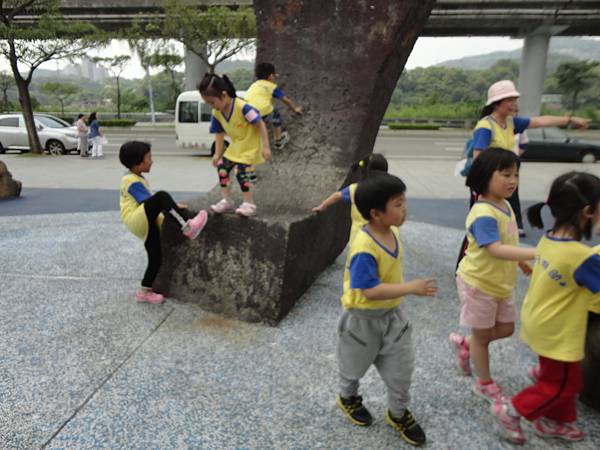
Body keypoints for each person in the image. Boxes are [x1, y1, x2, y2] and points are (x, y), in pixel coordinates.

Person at [490, 172, 600, 445]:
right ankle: (511, 411)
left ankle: (555, 421)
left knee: (567, 378)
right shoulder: (582, 257)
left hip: (541, 322)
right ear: (588, 211)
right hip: (557, 331)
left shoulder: (549, 239)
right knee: (562, 385)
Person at [335, 173, 437, 447]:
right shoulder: (364, 248)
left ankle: (398, 413)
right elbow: (368, 290)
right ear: (376, 214)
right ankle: (348, 397)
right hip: (361, 321)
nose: (405, 210)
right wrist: (410, 288)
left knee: (402, 370)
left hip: (393, 318)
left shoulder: (392, 231)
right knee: (353, 367)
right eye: (398, 205)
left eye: (403, 202)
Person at [449, 149, 535, 403]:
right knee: (483, 337)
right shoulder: (483, 214)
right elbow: (495, 248)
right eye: (506, 174)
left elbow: (509, 240)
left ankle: (467, 344)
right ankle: (484, 382)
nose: (512, 181)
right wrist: (536, 251)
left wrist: (521, 262)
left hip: (500, 283)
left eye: (516, 175)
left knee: (506, 328)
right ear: (485, 175)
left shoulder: (505, 205)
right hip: (478, 283)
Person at [470, 80, 590, 236]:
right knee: (485, 217)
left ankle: (510, 241)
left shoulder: (511, 122)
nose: (514, 104)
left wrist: (570, 120)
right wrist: (482, 187)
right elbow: (478, 160)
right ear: (496, 104)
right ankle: (486, 246)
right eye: (510, 100)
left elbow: (540, 121)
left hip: (506, 176)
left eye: (515, 100)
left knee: (507, 213)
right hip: (490, 182)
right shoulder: (485, 126)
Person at [119, 141, 209, 304]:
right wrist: (171, 206)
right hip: (137, 217)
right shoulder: (130, 180)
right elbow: (151, 201)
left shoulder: (135, 177)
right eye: (149, 158)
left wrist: (173, 206)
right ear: (138, 163)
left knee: (156, 257)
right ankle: (188, 227)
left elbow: (151, 202)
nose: (152, 161)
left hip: (142, 221)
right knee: (161, 195)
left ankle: (144, 292)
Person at [198, 73, 271, 217]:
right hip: (237, 146)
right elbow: (219, 133)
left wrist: (266, 147)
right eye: (208, 103)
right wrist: (217, 154)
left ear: (224, 95)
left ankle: (249, 203)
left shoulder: (243, 107)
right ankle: (227, 201)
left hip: (251, 145)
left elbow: (260, 124)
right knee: (222, 168)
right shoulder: (217, 113)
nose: (211, 106)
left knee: (240, 171)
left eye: (212, 102)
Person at [312, 153, 388, 244]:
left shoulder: (354, 189)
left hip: (359, 239)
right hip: (381, 238)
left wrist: (323, 205)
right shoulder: (388, 190)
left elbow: (337, 196)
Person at [245, 62, 303, 150]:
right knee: (276, 116)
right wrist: (295, 108)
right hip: (263, 110)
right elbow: (285, 99)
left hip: (247, 111)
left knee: (257, 122)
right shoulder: (271, 86)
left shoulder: (253, 85)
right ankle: (278, 141)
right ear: (271, 76)